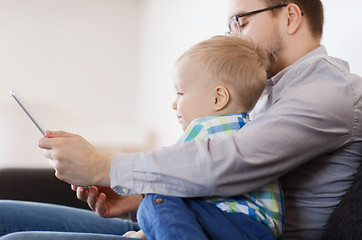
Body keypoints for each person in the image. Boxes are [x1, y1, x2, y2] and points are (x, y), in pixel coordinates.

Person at [1, 0, 361, 239]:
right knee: (5, 214)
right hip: (193, 224)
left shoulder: (327, 91)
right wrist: (137, 197)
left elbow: (227, 162)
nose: (232, 34)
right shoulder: (265, 93)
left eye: (241, 21)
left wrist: (104, 165)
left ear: (291, 16)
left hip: (228, 233)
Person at [132, 35, 283, 240]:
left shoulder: (205, 129)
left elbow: (166, 179)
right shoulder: (252, 132)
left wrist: (144, 230)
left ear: (218, 98)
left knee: (155, 201)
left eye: (180, 92)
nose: (174, 103)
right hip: (260, 231)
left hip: (237, 224)